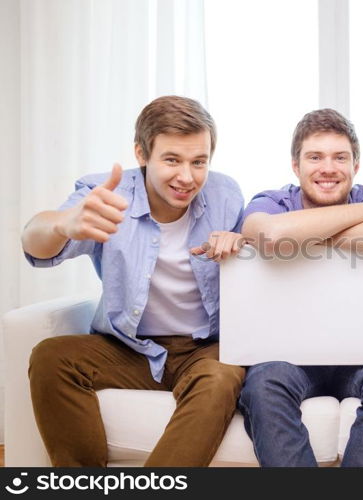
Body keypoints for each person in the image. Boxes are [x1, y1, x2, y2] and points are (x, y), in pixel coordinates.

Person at [22, 96, 246, 467]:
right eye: (172, 160)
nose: (187, 177)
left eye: (199, 162)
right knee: (51, 356)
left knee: (224, 375)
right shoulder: (107, 195)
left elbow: (252, 267)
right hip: (129, 347)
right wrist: (63, 225)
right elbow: (35, 242)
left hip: (204, 347)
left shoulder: (226, 195)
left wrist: (240, 244)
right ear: (142, 154)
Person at [237, 108, 363, 467]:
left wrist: (309, 232)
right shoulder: (272, 202)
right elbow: (271, 234)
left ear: (356, 165)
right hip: (288, 358)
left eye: (340, 157)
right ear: (295, 166)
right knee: (262, 384)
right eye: (315, 157)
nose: (328, 168)